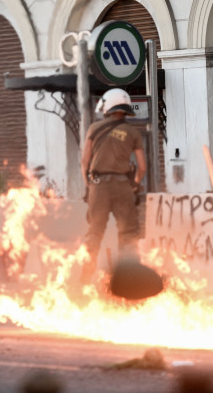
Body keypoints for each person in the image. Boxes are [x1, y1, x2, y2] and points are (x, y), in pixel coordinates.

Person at [78, 88, 147, 285]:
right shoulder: (133, 132)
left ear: (107, 107)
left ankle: (85, 278)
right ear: (125, 109)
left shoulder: (93, 129)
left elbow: (85, 161)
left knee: (95, 232)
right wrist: (133, 186)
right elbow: (142, 168)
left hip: (98, 186)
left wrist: (89, 186)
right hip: (123, 186)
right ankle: (129, 280)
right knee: (128, 233)